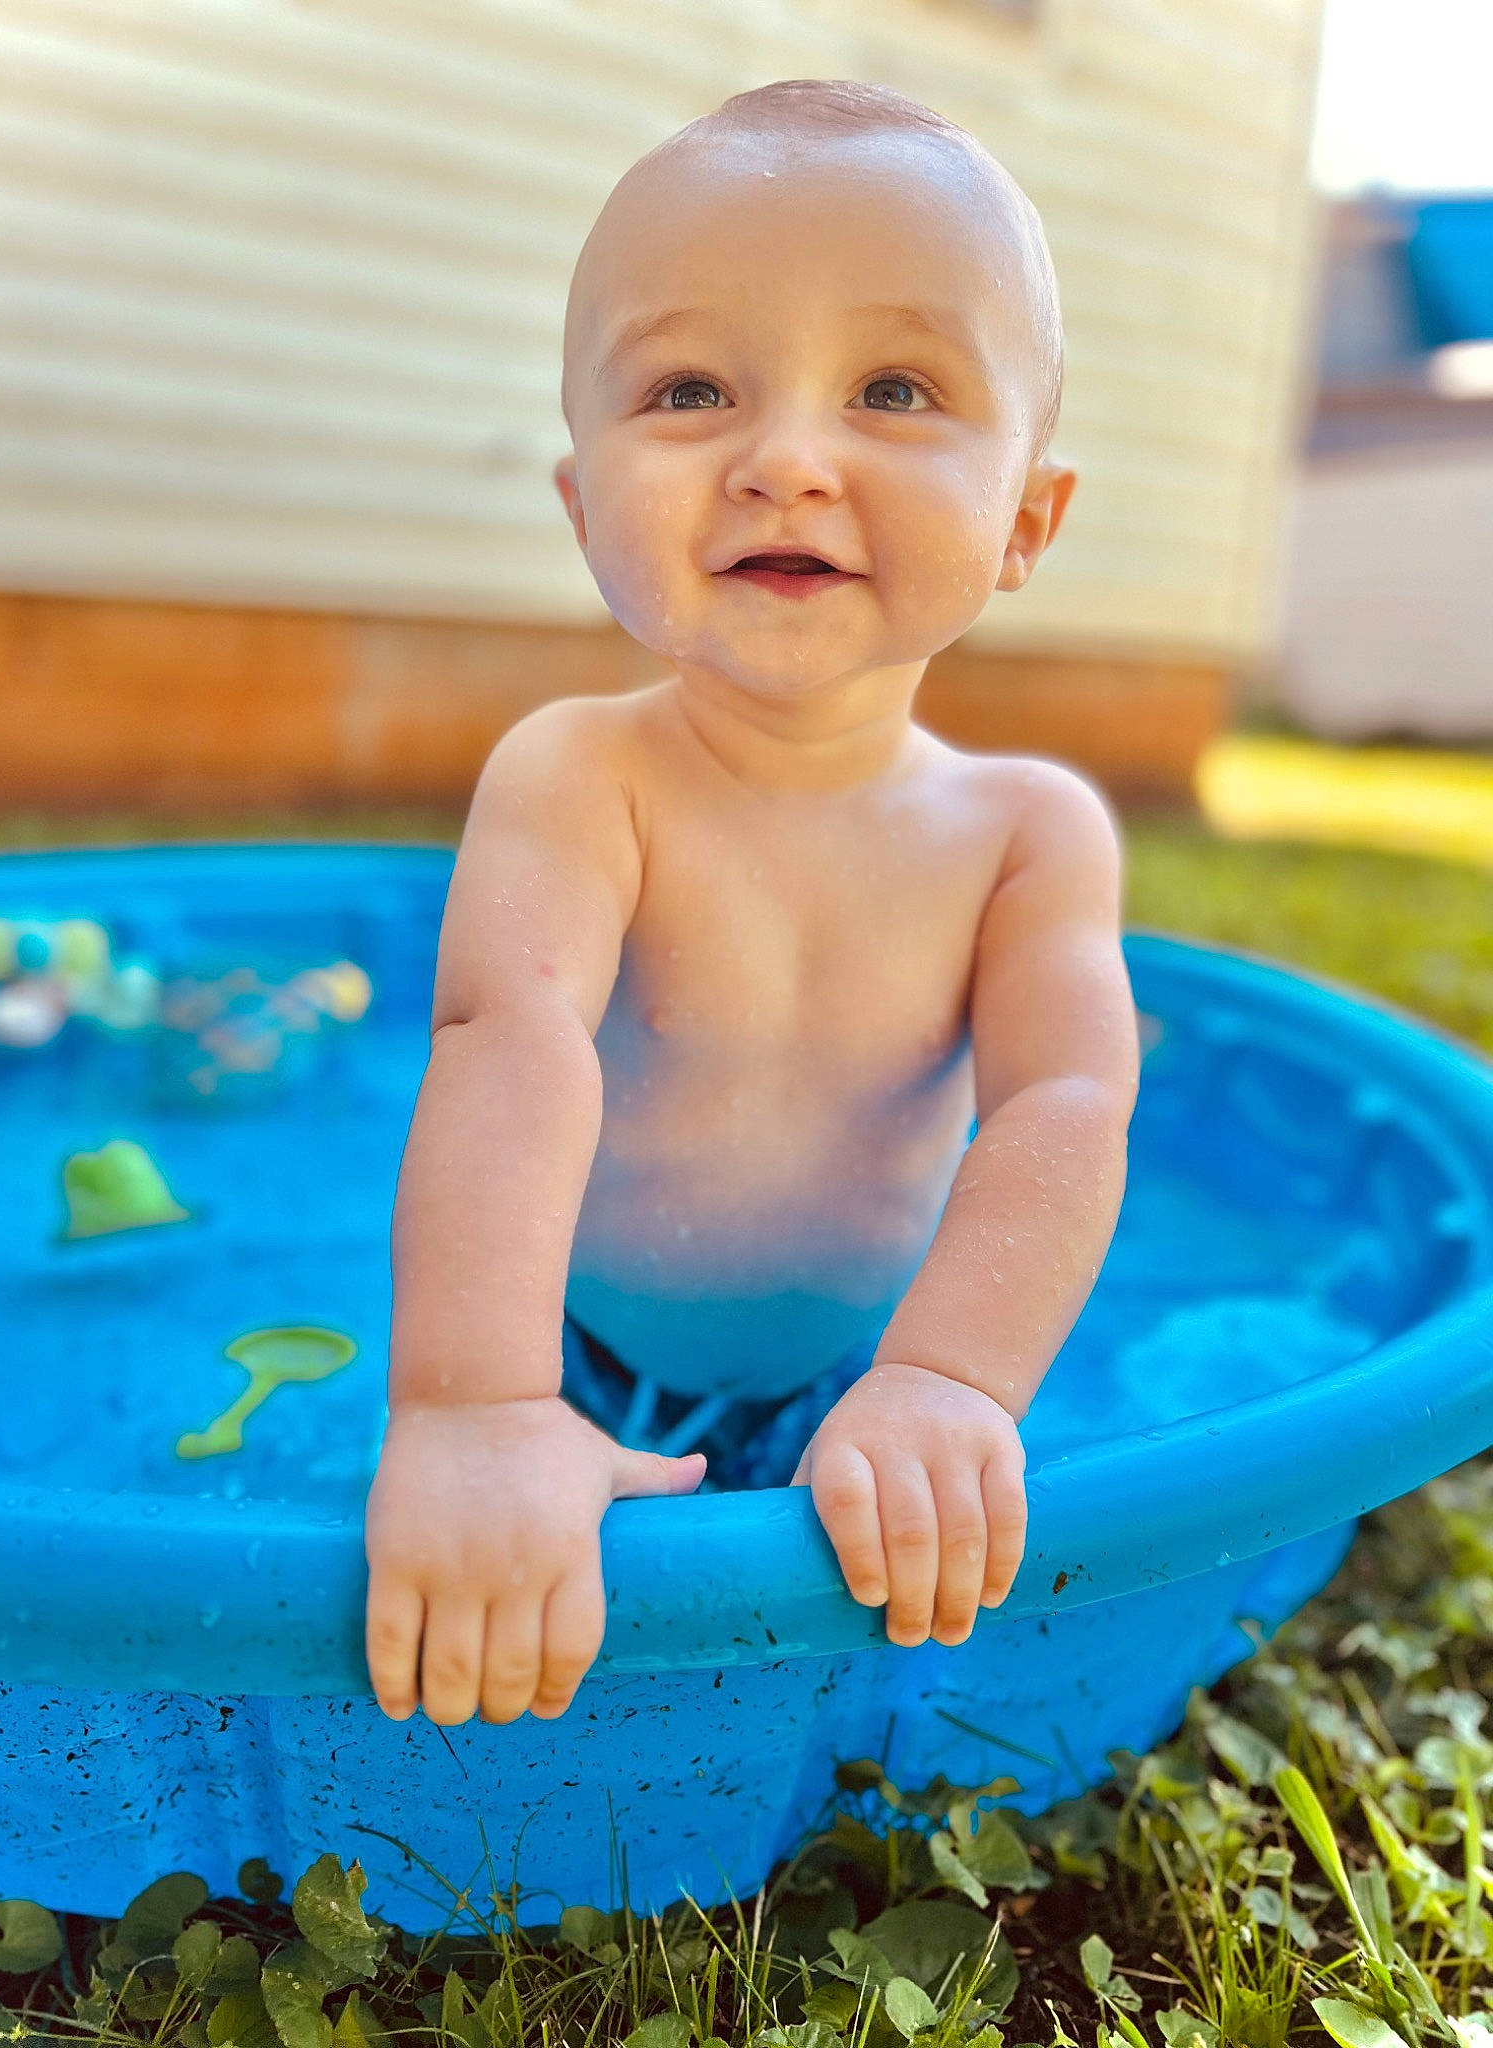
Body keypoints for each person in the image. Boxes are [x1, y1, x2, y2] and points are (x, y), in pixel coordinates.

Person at [364, 78, 1142, 1730]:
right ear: (586, 510)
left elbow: (1065, 1109)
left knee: (896, 1660)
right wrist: (470, 1403)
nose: (786, 460)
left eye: (894, 387)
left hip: (886, 1374)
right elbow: (511, 1045)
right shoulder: (579, 777)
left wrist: (947, 1381)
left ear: (1026, 519)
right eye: (693, 387)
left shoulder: (1028, 834)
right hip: (565, 1364)